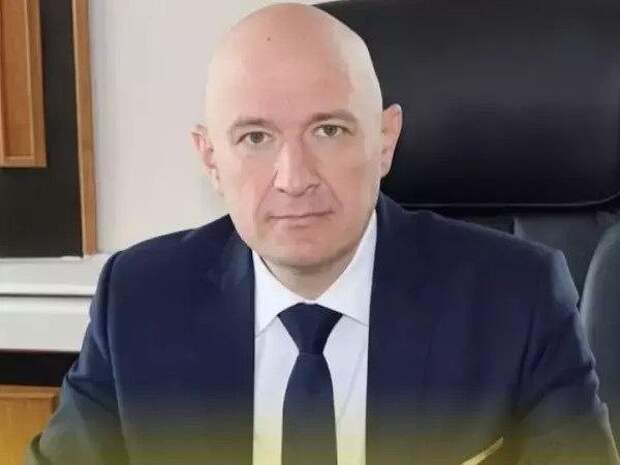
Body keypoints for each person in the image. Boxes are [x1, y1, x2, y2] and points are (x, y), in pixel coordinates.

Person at [26, 3, 619, 465]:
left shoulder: (517, 299)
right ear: (210, 159)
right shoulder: (139, 301)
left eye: (329, 130)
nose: (294, 178)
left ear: (384, 140)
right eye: (256, 138)